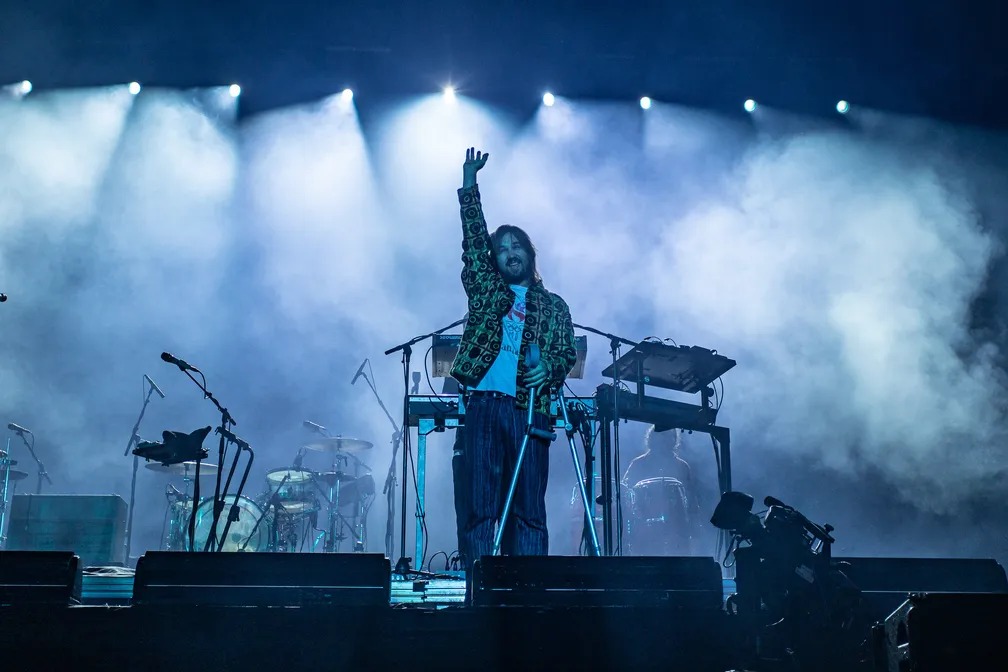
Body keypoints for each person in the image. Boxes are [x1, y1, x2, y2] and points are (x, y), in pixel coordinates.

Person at [451, 147, 577, 568]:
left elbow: (565, 352)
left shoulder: (554, 306)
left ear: (529, 253)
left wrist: (551, 368)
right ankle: (479, 588)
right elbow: (473, 243)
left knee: (529, 510)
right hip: (486, 405)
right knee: (480, 506)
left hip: (531, 410)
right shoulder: (487, 290)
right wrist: (470, 184)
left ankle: (529, 589)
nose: (509, 253)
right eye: (502, 248)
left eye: (516, 245)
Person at [622, 425, 701, 555]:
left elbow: (692, 500)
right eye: (661, 437)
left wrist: (695, 531)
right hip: (645, 529)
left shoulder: (682, 466)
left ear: (674, 440)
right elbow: (626, 493)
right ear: (652, 438)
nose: (665, 440)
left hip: (676, 530)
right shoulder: (638, 464)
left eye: (669, 437)